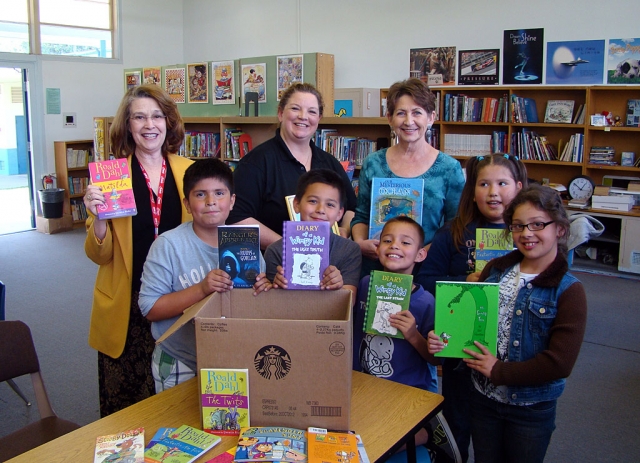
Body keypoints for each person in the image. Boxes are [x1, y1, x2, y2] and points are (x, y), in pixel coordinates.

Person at [428, 184, 588, 463]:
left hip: (530, 408)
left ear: (559, 229)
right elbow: (471, 329)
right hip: (483, 399)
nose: (526, 233)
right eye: (517, 226)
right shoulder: (496, 270)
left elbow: (560, 363)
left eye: (538, 224)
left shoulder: (569, 291)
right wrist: (444, 339)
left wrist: (499, 371)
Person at [84, 84, 194, 416]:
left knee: (176, 399)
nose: (150, 125)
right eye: (139, 117)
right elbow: (99, 255)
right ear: (128, 125)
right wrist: (99, 218)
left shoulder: (188, 171)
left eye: (157, 116)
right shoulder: (111, 177)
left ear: (168, 122)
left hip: (177, 297)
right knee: (126, 406)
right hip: (127, 303)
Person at [415, 153, 528, 462]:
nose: (493, 192)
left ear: (518, 187)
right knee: (458, 423)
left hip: (511, 354)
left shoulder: (529, 236)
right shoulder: (452, 233)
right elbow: (424, 280)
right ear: (472, 191)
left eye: (502, 183)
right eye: (484, 184)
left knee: (500, 432)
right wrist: (465, 279)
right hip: (461, 354)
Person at [138, 159, 269, 392]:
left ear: (232, 201)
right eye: (200, 195)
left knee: (227, 424)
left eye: (219, 193)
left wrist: (263, 289)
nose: (211, 202)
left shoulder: (247, 244)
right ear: (187, 204)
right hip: (181, 356)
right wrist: (201, 290)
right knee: (179, 426)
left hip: (233, 356)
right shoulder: (169, 245)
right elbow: (150, 308)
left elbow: (255, 307)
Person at [351, 78, 465, 276]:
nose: (409, 121)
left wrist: (419, 254)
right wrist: (361, 243)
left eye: (417, 113)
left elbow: (455, 226)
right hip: (375, 268)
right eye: (401, 113)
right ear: (390, 118)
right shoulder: (373, 163)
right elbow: (361, 216)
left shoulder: (449, 168)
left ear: (431, 118)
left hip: (426, 270)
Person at [227, 83, 357, 249]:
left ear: (319, 119)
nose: (303, 116)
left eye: (311, 111)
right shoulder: (256, 162)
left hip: (326, 264)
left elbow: (351, 207)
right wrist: (287, 247)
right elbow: (236, 217)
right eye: (295, 108)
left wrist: (344, 231)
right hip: (273, 266)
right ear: (281, 113)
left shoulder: (329, 163)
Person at [353, 216, 437, 447]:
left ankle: (427, 434)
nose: (395, 246)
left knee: (382, 441)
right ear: (377, 248)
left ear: (420, 254)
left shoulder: (425, 301)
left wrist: (412, 334)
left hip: (404, 392)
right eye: (387, 240)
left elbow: (433, 358)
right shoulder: (364, 284)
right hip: (362, 387)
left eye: (406, 242)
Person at [264, 169, 361, 296]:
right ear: (297, 204)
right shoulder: (275, 251)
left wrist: (339, 286)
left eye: (330, 204)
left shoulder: (349, 250)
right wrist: (276, 287)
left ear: (339, 213)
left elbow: (350, 302)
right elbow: (271, 304)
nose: (320, 209)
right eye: (313, 201)